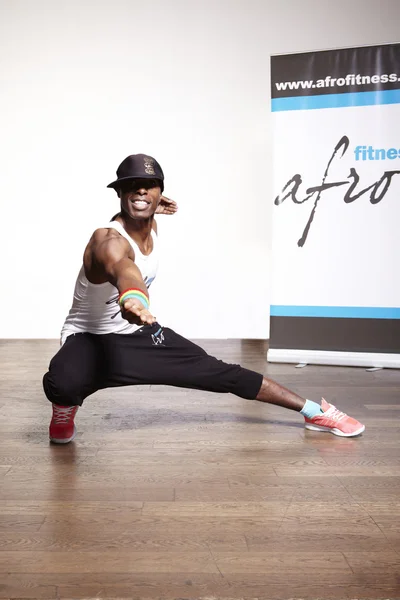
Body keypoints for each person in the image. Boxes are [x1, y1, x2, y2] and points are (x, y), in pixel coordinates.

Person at [42, 153, 365, 443]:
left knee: (221, 372)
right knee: (64, 382)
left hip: (136, 333)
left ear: (160, 191)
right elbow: (122, 267)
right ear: (119, 194)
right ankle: (65, 406)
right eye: (133, 186)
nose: (142, 191)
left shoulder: (149, 222)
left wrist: (151, 205)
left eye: (149, 186)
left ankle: (314, 412)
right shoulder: (107, 238)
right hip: (89, 337)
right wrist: (133, 298)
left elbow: (145, 208)